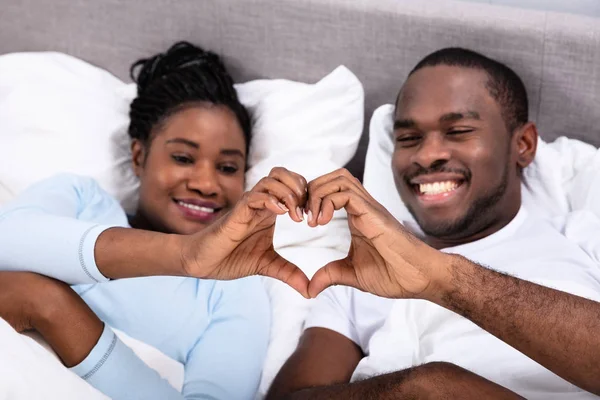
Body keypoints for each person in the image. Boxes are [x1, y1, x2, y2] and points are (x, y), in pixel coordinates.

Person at [266, 48, 600, 399]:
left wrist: (441, 278)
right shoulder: (354, 275)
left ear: (524, 144)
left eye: (458, 131)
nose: (426, 156)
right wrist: (410, 390)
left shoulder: (581, 239)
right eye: (408, 139)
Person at [0, 42, 310, 400]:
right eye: (182, 157)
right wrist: (185, 255)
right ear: (138, 155)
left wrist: (52, 308)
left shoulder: (233, 287)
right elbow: (5, 240)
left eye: (227, 168)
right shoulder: (82, 200)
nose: (206, 184)